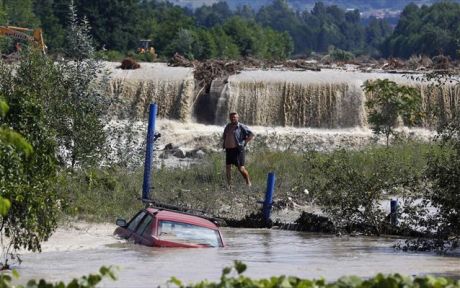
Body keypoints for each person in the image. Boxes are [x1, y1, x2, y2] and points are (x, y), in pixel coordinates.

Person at [222, 112, 255, 187]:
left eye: (234, 117)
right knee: (228, 168)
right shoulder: (228, 126)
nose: (233, 118)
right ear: (229, 118)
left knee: (241, 168)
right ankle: (229, 185)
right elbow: (225, 136)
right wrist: (224, 143)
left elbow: (251, 134)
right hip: (228, 150)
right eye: (231, 117)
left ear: (237, 118)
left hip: (237, 150)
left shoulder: (241, 126)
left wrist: (244, 142)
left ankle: (248, 183)